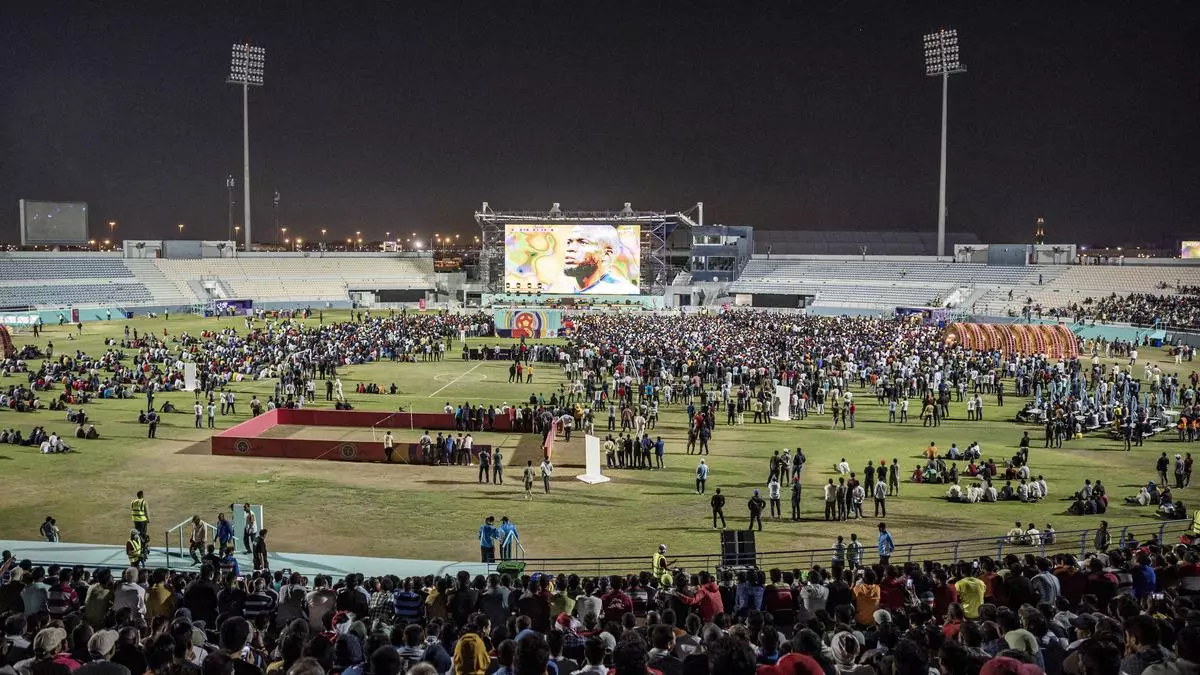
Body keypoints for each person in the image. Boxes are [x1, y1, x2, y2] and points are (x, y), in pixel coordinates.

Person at [547, 224, 639, 294]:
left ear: (606, 254)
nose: (570, 248)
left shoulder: (625, 292)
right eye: (569, 242)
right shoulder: (560, 290)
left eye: (582, 242)